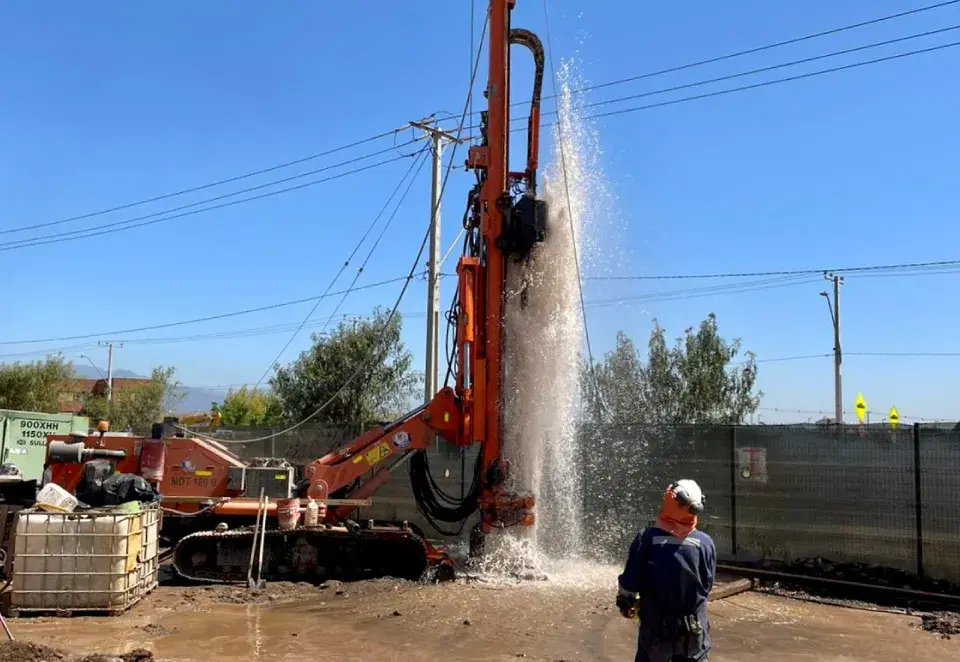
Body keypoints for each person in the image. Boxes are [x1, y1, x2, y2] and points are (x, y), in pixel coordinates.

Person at [616, 479, 717, 662]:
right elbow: (707, 585)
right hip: (694, 633)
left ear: (672, 502)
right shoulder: (705, 543)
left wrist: (626, 603)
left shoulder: (647, 539)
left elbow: (630, 584)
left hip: (657, 634)